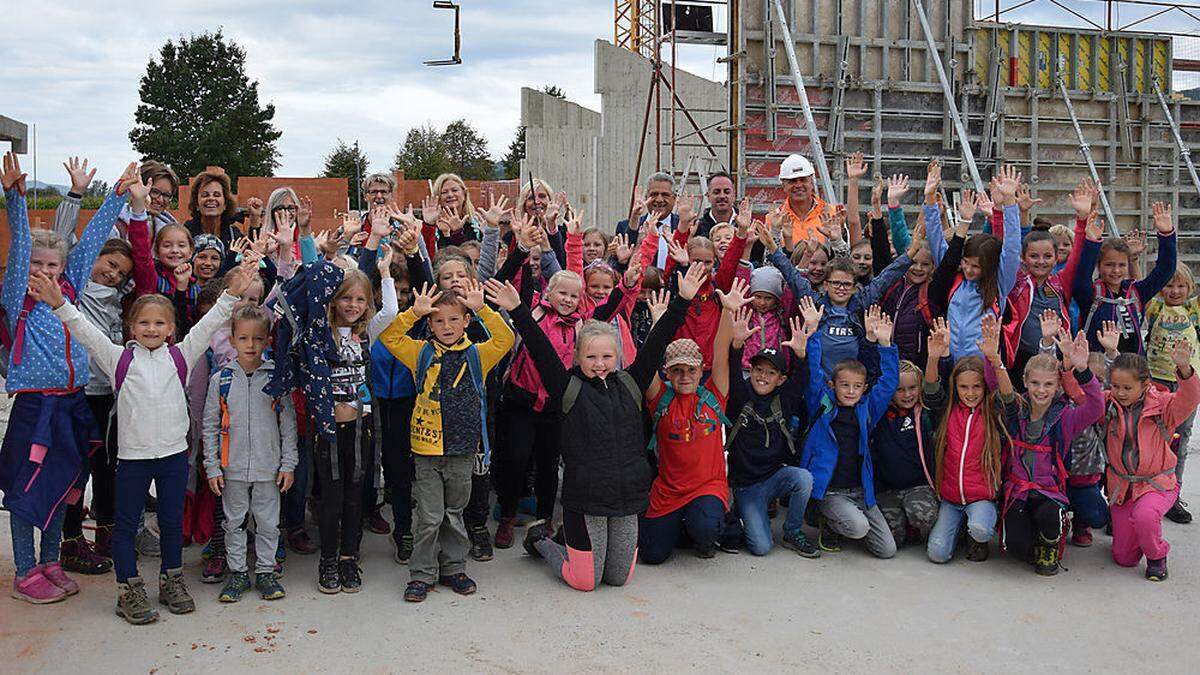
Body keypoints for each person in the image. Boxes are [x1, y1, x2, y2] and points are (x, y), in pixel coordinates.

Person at [41, 250, 254, 623]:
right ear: (131, 327)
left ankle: (171, 579)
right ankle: (129, 588)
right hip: (133, 459)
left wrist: (232, 294)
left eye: (159, 323)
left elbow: (212, 321)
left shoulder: (182, 356)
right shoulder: (118, 359)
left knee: (172, 522)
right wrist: (60, 305)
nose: (152, 329)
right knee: (125, 525)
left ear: (171, 328)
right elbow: (84, 331)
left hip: (173, 456)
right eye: (144, 323)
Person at [487, 266, 703, 590]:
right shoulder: (567, 388)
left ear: (617, 356)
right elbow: (539, 348)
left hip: (626, 497)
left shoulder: (631, 383)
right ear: (577, 357)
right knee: (585, 580)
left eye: (606, 356)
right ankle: (544, 543)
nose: (599, 363)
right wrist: (518, 310)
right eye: (591, 356)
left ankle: (567, 540)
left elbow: (657, 344)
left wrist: (682, 300)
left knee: (617, 578)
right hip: (586, 500)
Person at [0, 153, 129, 604]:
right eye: (38, 266)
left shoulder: (67, 293)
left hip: (72, 403)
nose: (45, 273)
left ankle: (51, 560)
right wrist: (14, 199)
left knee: (65, 486)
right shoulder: (20, 302)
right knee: (26, 489)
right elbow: (18, 250)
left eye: (52, 266)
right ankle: (25, 569)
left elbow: (90, 244)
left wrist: (115, 197)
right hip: (37, 407)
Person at [378, 278, 514, 603]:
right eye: (438, 320)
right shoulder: (419, 352)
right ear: (430, 324)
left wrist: (483, 310)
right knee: (428, 516)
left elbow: (505, 338)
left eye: (454, 319)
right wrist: (414, 312)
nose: (447, 326)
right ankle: (421, 574)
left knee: (454, 512)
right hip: (426, 449)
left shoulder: (478, 355)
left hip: (463, 449)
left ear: (466, 321)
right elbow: (389, 337)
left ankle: (453, 567)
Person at [202, 305, 298, 602]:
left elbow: (288, 425)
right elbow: (210, 425)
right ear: (232, 340)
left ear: (268, 341)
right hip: (232, 469)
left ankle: (266, 571)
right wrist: (213, 467)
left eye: (258, 339)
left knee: (268, 523)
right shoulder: (222, 380)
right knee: (234, 522)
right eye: (243, 338)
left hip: (269, 469)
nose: (251, 345)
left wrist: (288, 464)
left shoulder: (275, 379)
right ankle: (239, 573)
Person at [638, 276, 734, 564]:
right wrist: (658, 321)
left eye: (690, 370)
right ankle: (683, 525)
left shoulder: (715, 396)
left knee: (705, 529)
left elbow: (720, 354)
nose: (684, 376)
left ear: (699, 370)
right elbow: (647, 360)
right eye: (676, 370)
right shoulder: (661, 399)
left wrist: (727, 311)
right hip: (668, 491)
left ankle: (708, 526)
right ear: (667, 372)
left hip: (707, 488)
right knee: (652, 555)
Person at [763, 210, 919, 377]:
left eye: (846, 284)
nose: (841, 288)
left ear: (854, 287)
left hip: (851, 384)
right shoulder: (815, 305)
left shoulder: (861, 302)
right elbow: (792, 276)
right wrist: (773, 247)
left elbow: (886, 278)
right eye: (836, 283)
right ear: (826, 285)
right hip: (820, 382)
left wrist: (910, 254)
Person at [1000, 336, 1103, 576]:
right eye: (1035, 383)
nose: (1041, 390)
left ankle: (1051, 540)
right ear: (1024, 382)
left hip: (1049, 493)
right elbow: (997, 385)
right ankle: (1036, 536)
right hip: (1020, 492)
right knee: (1016, 548)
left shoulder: (1065, 417)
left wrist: (1082, 370)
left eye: (1048, 384)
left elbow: (1096, 408)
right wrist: (994, 359)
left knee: (1048, 515)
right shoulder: (1017, 411)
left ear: (1057, 385)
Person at [803, 303, 900, 558]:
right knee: (858, 528)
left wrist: (886, 345)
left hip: (860, 492)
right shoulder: (822, 404)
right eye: (844, 385)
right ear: (832, 385)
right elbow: (813, 374)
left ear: (864, 388)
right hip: (831, 490)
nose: (850, 391)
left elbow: (889, 384)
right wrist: (812, 332)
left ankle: (847, 520)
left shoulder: (867, 410)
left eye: (857, 386)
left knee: (887, 550)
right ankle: (827, 517)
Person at [726, 306, 820, 557]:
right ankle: (745, 514)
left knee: (803, 478)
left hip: (773, 478)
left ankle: (791, 531)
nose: (763, 376)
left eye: (771, 372)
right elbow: (733, 371)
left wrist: (801, 354)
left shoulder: (784, 398)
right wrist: (736, 345)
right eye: (758, 370)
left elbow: (802, 379)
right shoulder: (741, 395)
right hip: (745, 486)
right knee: (761, 547)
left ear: (780, 379)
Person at [1102, 343, 1200, 581]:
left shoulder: (1163, 406)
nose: (1120, 392)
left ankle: (1157, 555)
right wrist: (1079, 367)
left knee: (1145, 515)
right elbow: (1084, 397)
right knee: (1124, 559)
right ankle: (1139, 531)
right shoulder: (1107, 404)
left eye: (1127, 387)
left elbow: (1190, 398)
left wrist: (1185, 369)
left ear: (1145, 385)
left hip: (1157, 482)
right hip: (1123, 487)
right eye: (1115, 386)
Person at [924, 316, 1015, 563]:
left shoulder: (992, 412)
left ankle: (975, 533)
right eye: (964, 387)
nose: (971, 393)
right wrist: (933, 357)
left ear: (985, 388)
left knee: (982, 530)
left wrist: (994, 359)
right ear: (956, 387)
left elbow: (1009, 400)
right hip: (951, 499)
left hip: (980, 497)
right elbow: (931, 391)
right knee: (937, 554)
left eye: (977, 387)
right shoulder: (947, 410)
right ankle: (960, 529)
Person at [925, 165, 1022, 362]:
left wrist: (1010, 203)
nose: (969, 269)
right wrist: (929, 198)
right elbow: (935, 239)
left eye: (976, 266)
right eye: (966, 263)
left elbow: (1012, 247)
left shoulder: (999, 285)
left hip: (984, 366)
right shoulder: (955, 280)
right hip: (952, 363)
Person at [1001, 179, 1092, 388]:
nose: (1041, 261)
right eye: (1034, 256)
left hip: (1056, 355)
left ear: (1056, 257)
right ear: (1024, 258)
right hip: (1022, 357)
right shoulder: (1017, 282)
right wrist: (1012, 209)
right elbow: (1012, 246)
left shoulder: (1061, 283)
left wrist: (1082, 219)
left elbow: (1077, 254)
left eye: (1047, 256)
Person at [1073, 199, 1177, 354]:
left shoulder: (1137, 291)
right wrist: (1092, 243)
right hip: (1099, 367)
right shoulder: (1092, 294)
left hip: (1133, 369)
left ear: (1128, 265)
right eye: (1109, 265)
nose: (1116, 270)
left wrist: (1166, 234)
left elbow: (1165, 270)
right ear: (1098, 266)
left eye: (1121, 265)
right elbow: (1080, 279)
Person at [1143, 263, 1200, 524]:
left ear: (1190, 288)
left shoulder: (1193, 308)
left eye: (1181, 286)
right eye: (1169, 285)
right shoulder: (1155, 307)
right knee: (1156, 439)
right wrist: (1134, 259)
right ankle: (1149, 491)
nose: (1175, 291)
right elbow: (1137, 287)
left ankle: (1173, 495)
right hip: (1157, 381)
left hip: (1187, 384)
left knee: (1182, 439)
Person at [871, 359, 939, 548]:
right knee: (892, 540)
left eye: (912, 388)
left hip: (918, 486)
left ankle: (913, 522)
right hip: (887, 489)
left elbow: (936, 391)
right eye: (899, 389)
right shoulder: (879, 414)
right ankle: (902, 523)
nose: (907, 394)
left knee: (923, 517)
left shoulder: (925, 412)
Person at [183, 168, 245, 247]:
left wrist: (255, 220)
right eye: (205, 195)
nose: (211, 198)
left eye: (217, 195)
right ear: (197, 204)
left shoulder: (234, 236)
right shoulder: (185, 235)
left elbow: (253, 254)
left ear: (225, 204)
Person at [778, 154, 829, 245]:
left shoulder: (831, 214)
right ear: (783, 186)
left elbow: (844, 254)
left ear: (812, 183)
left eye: (803, 180)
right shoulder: (774, 218)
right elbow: (769, 256)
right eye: (792, 181)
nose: (798, 185)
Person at [695, 171, 736, 238]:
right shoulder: (697, 228)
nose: (722, 196)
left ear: (734, 195)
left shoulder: (747, 226)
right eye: (716, 192)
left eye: (727, 192)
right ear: (708, 196)